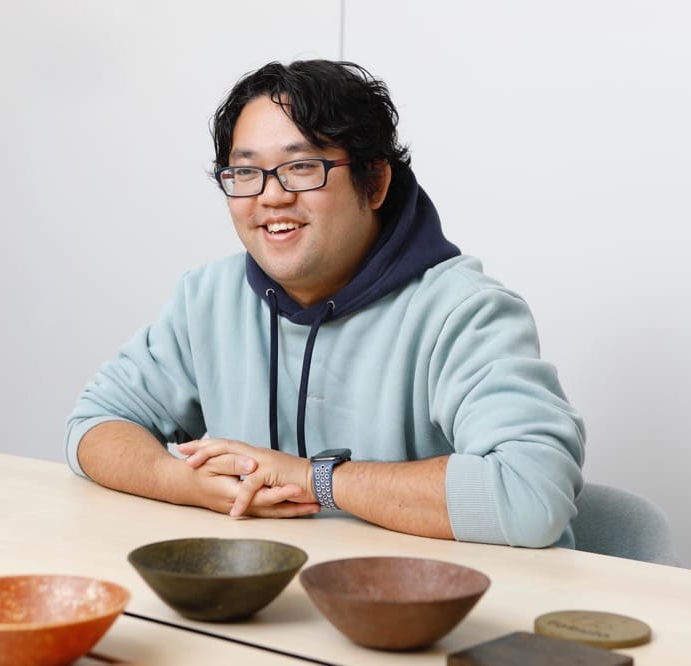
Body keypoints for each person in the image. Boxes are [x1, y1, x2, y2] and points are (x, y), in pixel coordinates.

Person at [65, 59, 585, 548]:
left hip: (433, 604)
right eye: (245, 172)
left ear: (374, 182)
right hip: (271, 598)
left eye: (301, 166)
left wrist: (311, 478)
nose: (271, 196)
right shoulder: (207, 297)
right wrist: (187, 483)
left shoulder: (465, 312)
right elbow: (95, 425)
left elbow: (531, 494)